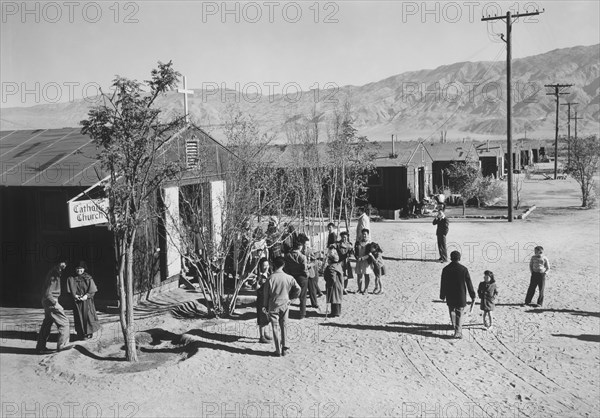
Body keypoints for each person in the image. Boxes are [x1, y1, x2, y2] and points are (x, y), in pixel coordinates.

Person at [263, 257, 301, 357]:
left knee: (275, 327)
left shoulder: (270, 278)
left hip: (273, 305)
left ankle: (277, 349)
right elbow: (298, 289)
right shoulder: (289, 277)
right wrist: (292, 300)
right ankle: (285, 346)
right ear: (283, 265)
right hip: (285, 304)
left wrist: (265, 306)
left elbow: (266, 295)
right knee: (284, 326)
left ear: (273, 265)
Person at [36, 260, 71, 353]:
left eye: (66, 263)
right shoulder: (54, 274)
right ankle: (62, 345)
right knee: (64, 322)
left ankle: (40, 347)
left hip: (47, 300)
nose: (65, 265)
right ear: (58, 262)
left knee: (47, 323)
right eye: (63, 262)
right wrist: (54, 303)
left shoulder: (55, 272)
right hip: (51, 300)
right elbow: (48, 292)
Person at [440, 251, 476, 339]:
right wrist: (472, 295)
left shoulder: (446, 269)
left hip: (450, 294)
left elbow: (443, 283)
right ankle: (458, 331)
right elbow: (469, 283)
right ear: (459, 258)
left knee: (452, 311)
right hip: (461, 295)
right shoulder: (463, 269)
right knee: (459, 313)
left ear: (451, 258)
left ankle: (454, 325)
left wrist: (442, 295)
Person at [284, 238, 319, 318]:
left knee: (289, 295)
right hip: (302, 278)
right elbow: (304, 268)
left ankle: (285, 311)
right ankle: (302, 313)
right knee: (302, 296)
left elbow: (286, 267)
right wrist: (306, 275)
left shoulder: (288, 255)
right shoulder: (302, 257)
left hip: (292, 276)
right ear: (300, 247)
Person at [67, 261, 101, 340]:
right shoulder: (71, 278)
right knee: (78, 317)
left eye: (81, 268)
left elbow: (92, 290)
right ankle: (80, 333)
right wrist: (75, 296)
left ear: (84, 269)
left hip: (87, 301)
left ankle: (89, 332)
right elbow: (69, 290)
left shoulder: (88, 278)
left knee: (88, 316)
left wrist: (87, 296)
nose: (79, 270)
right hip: (77, 302)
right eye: (77, 269)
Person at [252, 257, 272, 343]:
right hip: (261, 298)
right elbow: (255, 287)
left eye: (267, 265)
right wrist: (257, 284)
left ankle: (266, 333)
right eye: (264, 265)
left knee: (267, 316)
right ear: (261, 266)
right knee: (261, 317)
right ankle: (261, 336)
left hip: (268, 298)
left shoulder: (270, 274)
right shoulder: (258, 276)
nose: (266, 267)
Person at [323, 246, 344, 317]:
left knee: (334, 298)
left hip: (334, 285)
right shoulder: (338, 265)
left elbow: (332, 278)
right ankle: (338, 312)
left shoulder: (331, 267)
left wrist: (330, 284)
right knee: (338, 299)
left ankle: (334, 313)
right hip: (339, 284)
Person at [354, 228, 373, 294]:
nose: (364, 236)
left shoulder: (370, 244)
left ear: (367, 235)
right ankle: (359, 289)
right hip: (359, 261)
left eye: (365, 234)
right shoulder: (358, 242)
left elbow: (369, 254)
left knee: (366, 275)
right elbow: (355, 251)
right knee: (359, 275)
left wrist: (362, 258)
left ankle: (366, 289)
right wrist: (356, 257)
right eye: (363, 234)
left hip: (366, 262)